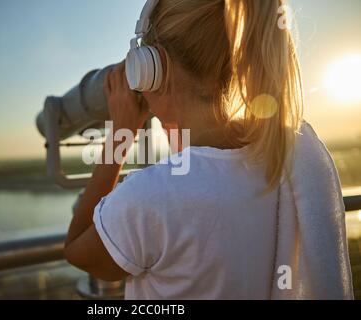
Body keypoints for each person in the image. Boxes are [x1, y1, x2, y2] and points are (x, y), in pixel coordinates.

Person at [64, 0, 352, 299]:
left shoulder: (148, 197)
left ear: (150, 67)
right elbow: (199, 172)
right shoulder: (282, 158)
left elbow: (77, 250)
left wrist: (120, 133)